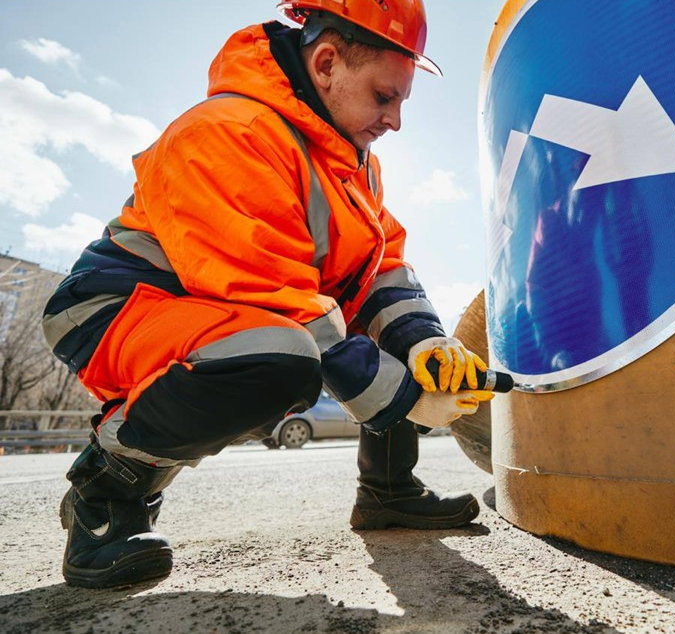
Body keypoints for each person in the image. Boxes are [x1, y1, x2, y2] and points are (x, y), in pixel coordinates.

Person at [41, 0, 493, 590]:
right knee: (281, 359)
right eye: (386, 97)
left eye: (402, 101)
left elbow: (378, 272)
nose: (395, 121)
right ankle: (106, 496)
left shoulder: (351, 164)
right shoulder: (232, 133)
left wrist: (425, 343)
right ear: (327, 63)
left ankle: (389, 490)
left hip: (232, 308)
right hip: (117, 307)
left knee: (372, 340)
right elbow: (283, 304)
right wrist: (402, 398)